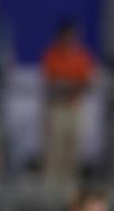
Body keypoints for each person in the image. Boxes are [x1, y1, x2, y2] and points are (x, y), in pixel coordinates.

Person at [41, 19, 95, 189]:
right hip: (57, 107)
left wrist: (70, 86)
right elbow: (50, 83)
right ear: (61, 37)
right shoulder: (52, 55)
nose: (70, 40)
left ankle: (70, 187)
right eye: (67, 37)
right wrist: (68, 85)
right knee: (54, 149)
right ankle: (49, 188)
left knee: (73, 148)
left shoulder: (82, 56)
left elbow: (87, 83)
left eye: (73, 37)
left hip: (74, 108)